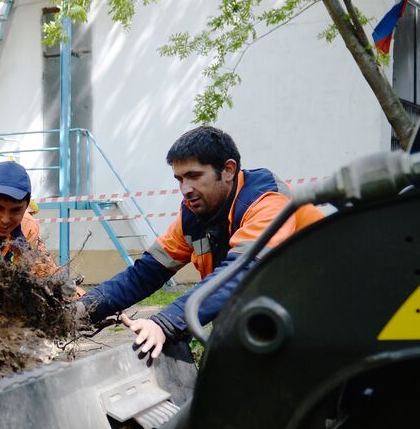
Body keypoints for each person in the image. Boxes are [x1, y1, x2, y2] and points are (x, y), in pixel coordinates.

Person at [77, 126, 324, 358]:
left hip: (322, 314)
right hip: (270, 319)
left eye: (194, 176)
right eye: (180, 179)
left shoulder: (267, 201)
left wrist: (165, 323)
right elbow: (145, 274)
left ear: (228, 170)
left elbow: (243, 271)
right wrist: (80, 310)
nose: (185, 189)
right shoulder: (193, 215)